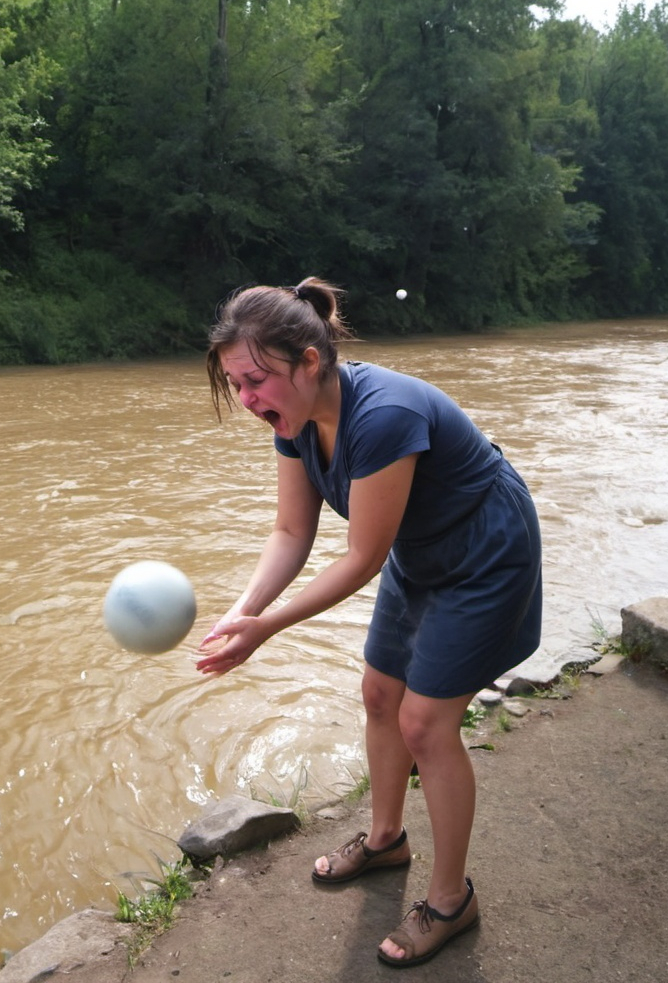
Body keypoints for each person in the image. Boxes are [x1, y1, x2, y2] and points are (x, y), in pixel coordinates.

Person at [196, 276, 542, 968]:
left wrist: (268, 630)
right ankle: (387, 840)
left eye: (257, 379)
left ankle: (450, 900)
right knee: (380, 695)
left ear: (310, 362)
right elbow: (291, 534)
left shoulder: (382, 415)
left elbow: (360, 559)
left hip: (485, 550)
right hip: (421, 548)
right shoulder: (293, 425)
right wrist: (243, 610)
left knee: (424, 722)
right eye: (237, 385)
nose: (248, 399)